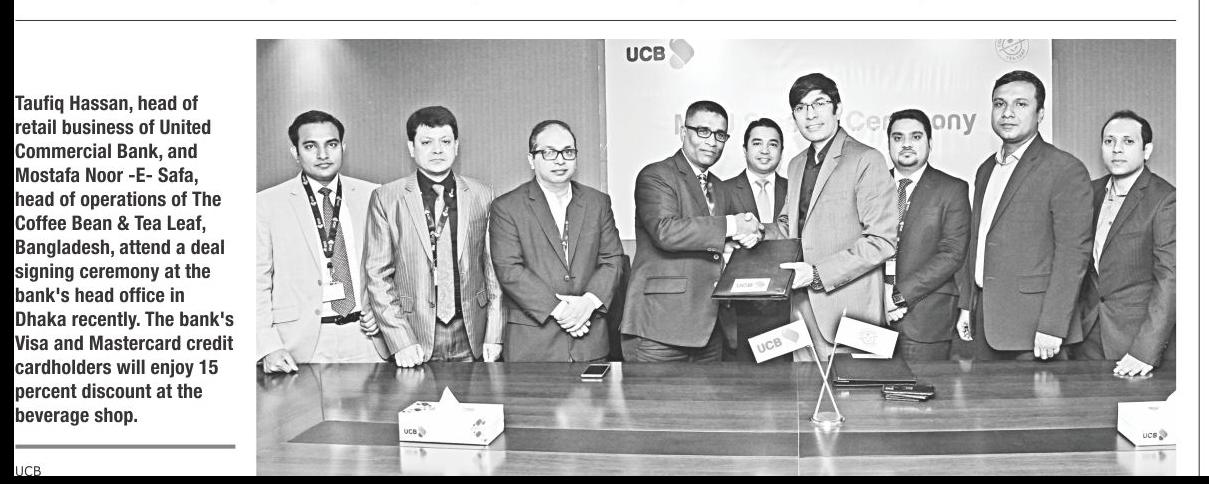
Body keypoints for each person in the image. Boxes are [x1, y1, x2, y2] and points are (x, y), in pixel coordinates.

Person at [955, 70, 1094, 361]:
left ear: (1040, 113)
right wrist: (967, 305)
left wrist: (1053, 326)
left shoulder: (1064, 169)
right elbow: (978, 242)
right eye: (999, 104)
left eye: (1020, 104)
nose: (1007, 113)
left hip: (1037, 333)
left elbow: (1073, 254)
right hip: (986, 325)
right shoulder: (985, 170)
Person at [620, 100, 762, 362]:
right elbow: (666, 231)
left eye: (720, 135)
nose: (712, 142)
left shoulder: (720, 187)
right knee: (653, 392)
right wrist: (733, 225)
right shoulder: (656, 175)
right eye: (703, 131)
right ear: (684, 132)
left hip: (710, 328)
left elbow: (738, 231)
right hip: (660, 327)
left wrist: (751, 234)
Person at [362, 106, 503, 367]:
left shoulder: (483, 195)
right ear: (411, 147)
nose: (437, 150)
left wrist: (495, 335)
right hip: (412, 332)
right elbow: (377, 275)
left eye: (445, 142)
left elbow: (494, 272)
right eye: (426, 142)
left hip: (472, 332)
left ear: (456, 146)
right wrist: (400, 340)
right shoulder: (387, 198)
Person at [772, 73, 898, 361]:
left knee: (854, 390)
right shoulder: (795, 165)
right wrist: (753, 231)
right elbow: (788, 226)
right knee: (802, 388)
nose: (810, 114)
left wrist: (818, 274)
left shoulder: (867, 159)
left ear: (838, 109)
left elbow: (881, 241)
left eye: (819, 103)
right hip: (800, 309)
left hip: (850, 310)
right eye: (801, 107)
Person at [256, 110, 387, 374]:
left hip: (368, 339)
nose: (323, 154)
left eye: (331, 144)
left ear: (343, 147)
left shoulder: (374, 194)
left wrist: (382, 313)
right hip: (299, 346)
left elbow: (394, 268)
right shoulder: (266, 204)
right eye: (310, 146)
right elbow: (255, 282)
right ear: (295, 152)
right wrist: (267, 346)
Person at [489, 120, 625, 362]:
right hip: (533, 345)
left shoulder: (597, 202)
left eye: (568, 152)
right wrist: (562, 311)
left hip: (590, 341)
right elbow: (509, 270)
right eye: (549, 152)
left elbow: (612, 260)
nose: (560, 160)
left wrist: (588, 303)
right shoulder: (507, 207)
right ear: (531, 159)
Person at [1075, 110, 1175, 376]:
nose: (1117, 149)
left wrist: (1146, 350)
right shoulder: (1089, 192)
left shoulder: (1165, 199)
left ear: (1146, 150)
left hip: (1137, 341)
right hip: (1085, 337)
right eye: (1109, 141)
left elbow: (1170, 278)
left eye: (1128, 141)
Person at [881, 109, 970, 360]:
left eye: (916, 137)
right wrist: (878, 298)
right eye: (898, 138)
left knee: (923, 384)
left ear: (930, 143)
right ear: (889, 144)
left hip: (925, 317)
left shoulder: (952, 189)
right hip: (871, 316)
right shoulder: (870, 187)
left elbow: (952, 254)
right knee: (868, 385)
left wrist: (898, 296)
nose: (906, 144)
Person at [717, 118, 790, 362]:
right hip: (739, 308)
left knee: (787, 379)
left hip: (786, 305)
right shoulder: (722, 190)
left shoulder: (796, 190)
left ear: (781, 150)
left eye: (773, 144)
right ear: (745, 149)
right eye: (757, 143)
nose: (765, 150)